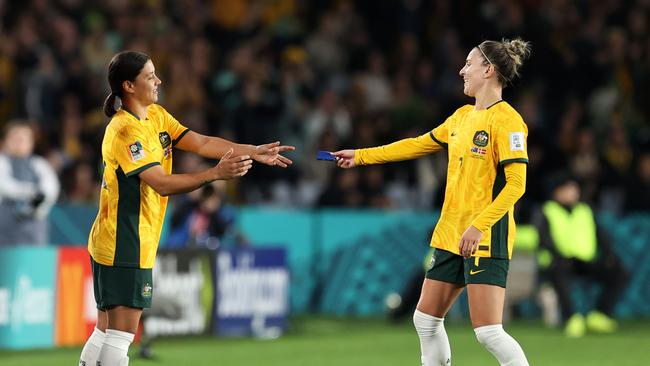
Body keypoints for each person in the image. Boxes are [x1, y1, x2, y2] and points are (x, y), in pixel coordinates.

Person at [78, 51, 294, 366]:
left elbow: (203, 143)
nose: (158, 81)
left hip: (120, 240)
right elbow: (161, 183)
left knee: (105, 329)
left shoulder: (156, 116)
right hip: (125, 241)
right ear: (129, 85)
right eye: (149, 76)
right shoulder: (125, 131)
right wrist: (215, 174)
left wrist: (253, 150)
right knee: (120, 336)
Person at [334, 38, 532, 365]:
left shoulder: (508, 121)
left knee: (488, 332)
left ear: (488, 69)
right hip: (452, 233)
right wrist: (360, 156)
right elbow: (416, 144)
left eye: (468, 64)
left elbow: (516, 186)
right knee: (425, 320)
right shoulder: (460, 118)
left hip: (484, 235)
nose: (461, 70)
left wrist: (479, 226)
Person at [534, 171, 629, 338]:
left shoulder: (585, 209)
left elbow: (601, 235)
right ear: (557, 191)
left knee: (619, 272)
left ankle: (600, 315)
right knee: (558, 272)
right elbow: (544, 240)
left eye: (574, 188)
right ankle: (571, 318)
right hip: (560, 261)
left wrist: (608, 255)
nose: (573, 192)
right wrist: (558, 255)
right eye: (568, 189)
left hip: (586, 261)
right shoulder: (546, 211)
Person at [0, 120, 60, 246]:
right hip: (5, 228)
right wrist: (31, 192)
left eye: (24, 138)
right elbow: (5, 185)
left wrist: (35, 204)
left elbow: (51, 188)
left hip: (34, 229)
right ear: (6, 140)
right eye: (15, 138)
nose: (19, 142)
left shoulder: (39, 164)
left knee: (34, 261)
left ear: (31, 143)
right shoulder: (2, 161)